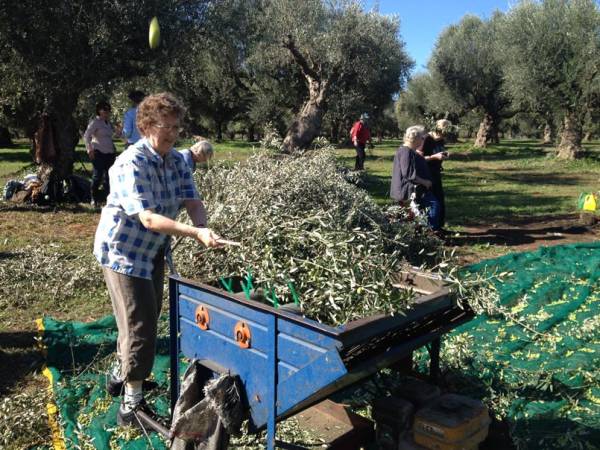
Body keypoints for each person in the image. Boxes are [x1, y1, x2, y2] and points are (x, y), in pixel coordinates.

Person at [93, 92, 223, 428]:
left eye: (178, 127)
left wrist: (204, 228)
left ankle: (121, 373)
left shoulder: (176, 160)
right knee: (140, 324)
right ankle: (130, 405)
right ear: (148, 125)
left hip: (152, 250)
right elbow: (148, 219)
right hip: (123, 252)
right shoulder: (129, 163)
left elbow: (192, 201)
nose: (174, 133)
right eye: (167, 126)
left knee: (147, 315)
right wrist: (194, 235)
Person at [390, 125, 442, 231]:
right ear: (416, 138)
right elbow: (408, 174)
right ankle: (430, 232)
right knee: (434, 206)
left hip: (412, 190)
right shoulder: (406, 152)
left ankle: (424, 232)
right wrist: (425, 182)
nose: (423, 140)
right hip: (407, 191)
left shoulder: (410, 151)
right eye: (422, 138)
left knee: (412, 215)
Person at [84, 101, 117, 207]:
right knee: (97, 176)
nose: (107, 112)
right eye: (104, 110)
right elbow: (86, 136)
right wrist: (89, 149)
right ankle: (94, 198)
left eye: (108, 110)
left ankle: (109, 199)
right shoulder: (95, 122)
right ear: (99, 111)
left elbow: (116, 135)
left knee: (109, 177)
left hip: (110, 152)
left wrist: (121, 132)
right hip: (98, 151)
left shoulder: (108, 123)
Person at [418, 119, 451, 228]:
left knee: (440, 200)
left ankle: (438, 227)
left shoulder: (440, 139)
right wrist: (434, 157)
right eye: (443, 131)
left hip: (436, 173)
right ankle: (430, 229)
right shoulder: (427, 139)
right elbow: (419, 158)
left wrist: (444, 154)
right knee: (432, 202)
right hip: (426, 174)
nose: (444, 135)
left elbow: (438, 151)